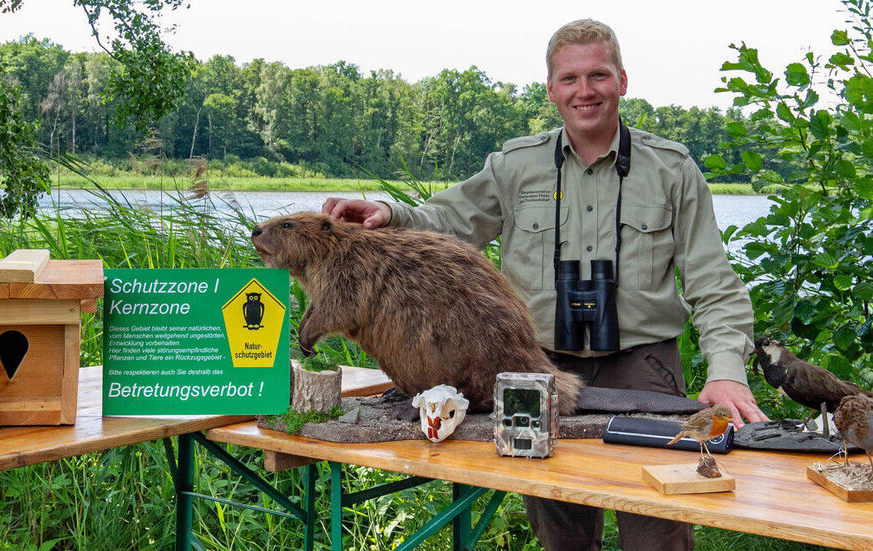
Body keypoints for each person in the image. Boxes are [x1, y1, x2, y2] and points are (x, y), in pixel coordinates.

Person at [323, 19, 767, 551]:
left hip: (643, 372)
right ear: (552, 89)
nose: (586, 91)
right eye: (570, 79)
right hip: (536, 368)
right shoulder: (514, 166)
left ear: (622, 81)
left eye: (598, 75)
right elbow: (445, 221)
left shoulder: (672, 170)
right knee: (560, 532)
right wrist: (387, 214)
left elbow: (714, 284)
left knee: (658, 528)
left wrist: (726, 374)